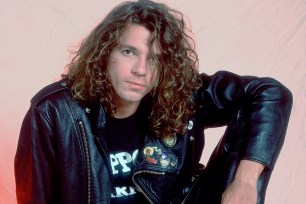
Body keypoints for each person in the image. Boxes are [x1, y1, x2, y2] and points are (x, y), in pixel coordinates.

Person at [14, 0, 293, 203]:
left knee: (254, 119)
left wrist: (245, 181)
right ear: (104, 53)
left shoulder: (180, 96)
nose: (141, 70)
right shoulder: (53, 112)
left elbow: (270, 93)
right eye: (129, 52)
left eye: (156, 59)